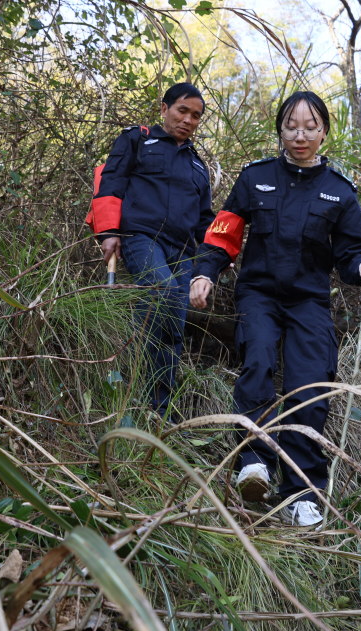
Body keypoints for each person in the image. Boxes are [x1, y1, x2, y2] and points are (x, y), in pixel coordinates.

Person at [189, 91, 361, 527]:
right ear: (280, 129)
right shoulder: (255, 178)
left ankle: (302, 492)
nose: (300, 136)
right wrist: (205, 272)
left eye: (310, 127)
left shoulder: (340, 192)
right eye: (292, 126)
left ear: (324, 132)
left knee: (310, 386)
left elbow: (351, 252)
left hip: (308, 301)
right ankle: (253, 463)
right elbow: (224, 233)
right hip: (258, 293)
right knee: (256, 364)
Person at [89, 82, 213, 420]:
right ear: (164, 108)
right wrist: (109, 232)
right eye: (182, 111)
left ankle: (161, 408)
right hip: (142, 237)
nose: (188, 120)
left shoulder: (198, 166)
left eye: (196, 116)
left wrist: (208, 265)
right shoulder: (138, 139)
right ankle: (137, 394)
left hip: (184, 250)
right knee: (163, 292)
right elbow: (111, 180)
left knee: (175, 319)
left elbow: (205, 220)